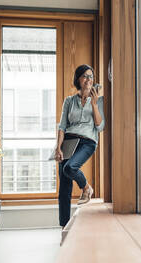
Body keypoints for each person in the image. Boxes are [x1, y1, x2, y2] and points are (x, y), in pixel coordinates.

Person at [55, 64, 104, 232]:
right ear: (78, 79)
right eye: (84, 76)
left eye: (90, 76)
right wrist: (58, 147)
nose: (88, 79)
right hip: (68, 141)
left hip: (87, 141)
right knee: (64, 187)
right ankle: (64, 227)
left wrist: (95, 105)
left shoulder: (98, 100)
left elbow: (99, 125)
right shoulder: (69, 101)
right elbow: (62, 126)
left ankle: (86, 188)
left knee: (70, 167)